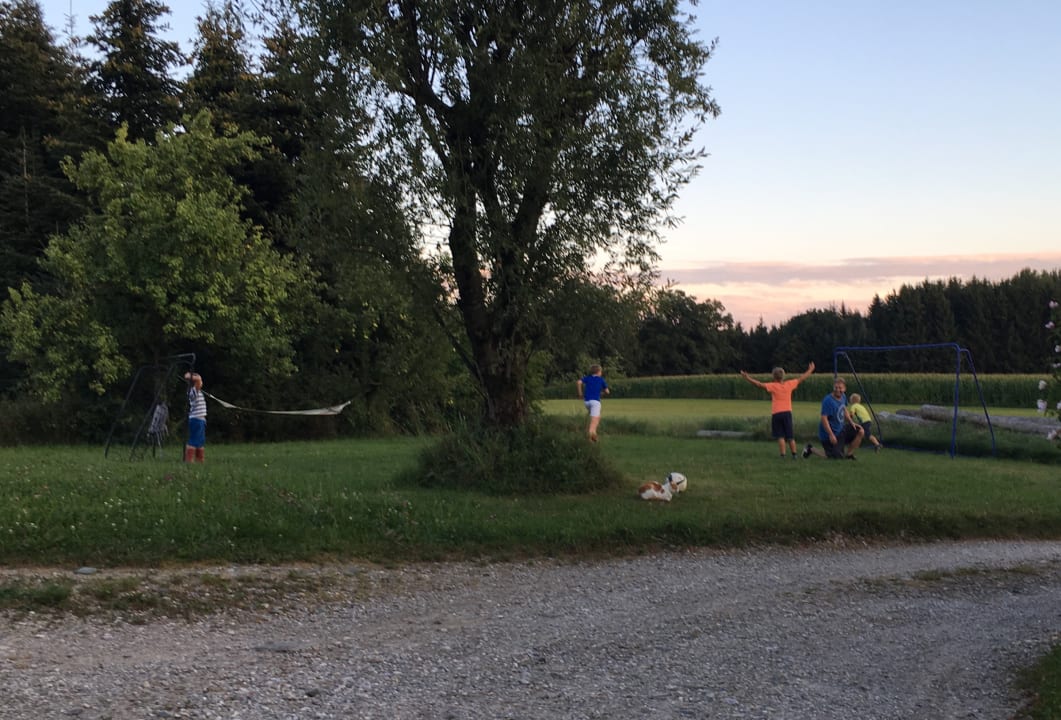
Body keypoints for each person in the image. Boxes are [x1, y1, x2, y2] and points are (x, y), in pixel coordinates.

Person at [740, 361, 816, 459]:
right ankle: (794, 454)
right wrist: (810, 370)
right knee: (790, 436)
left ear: (773, 376)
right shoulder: (789, 384)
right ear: (783, 376)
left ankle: (783, 455)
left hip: (777, 413)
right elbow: (801, 378)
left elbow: (759, 384)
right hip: (787, 413)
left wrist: (747, 377)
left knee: (780, 436)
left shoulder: (773, 386)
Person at [803, 376, 863, 460]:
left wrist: (851, 422)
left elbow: (844, 408)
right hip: (828, 435)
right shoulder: (828, 401)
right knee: (834, 457)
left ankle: (849, 454)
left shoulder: (843, 397)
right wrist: (831, 434)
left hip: (840, 430)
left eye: (840, 388)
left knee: (860, 431)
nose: (838, 390)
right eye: (836, 387)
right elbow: (824, 419)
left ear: (844, 388)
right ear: (833, 387)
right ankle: (811, 449)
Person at [577, 364, 610, 442]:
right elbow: (607, 392)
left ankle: (594, 435)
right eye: (601, 371)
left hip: (587, 402)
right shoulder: (601, 379)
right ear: (598, 372)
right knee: (593, 422)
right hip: (595, 402)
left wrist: (580, 394)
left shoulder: (587, 378)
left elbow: (579, 382)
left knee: (598, 417)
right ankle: (590, 436)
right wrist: (602, 393)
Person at [183, 371, 207, 463]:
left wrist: (191, 376)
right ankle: (189, 460)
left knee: (200, 441)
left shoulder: (196, 390)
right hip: (196, 419)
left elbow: (198, 380)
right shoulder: (193, 391)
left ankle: (200, 460)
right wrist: (193, 376)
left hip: (200, 419)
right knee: (193, 440)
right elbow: (198, 380)